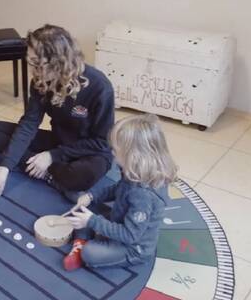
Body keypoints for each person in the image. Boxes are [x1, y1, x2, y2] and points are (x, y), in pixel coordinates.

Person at [0, 24, 117, 203]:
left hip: (89, 151)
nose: (33, 72)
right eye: (31, 63)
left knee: (84, 174)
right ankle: (52, 177)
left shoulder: (100, 87)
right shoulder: (41, 81)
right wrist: (4, 169)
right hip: (58, 142)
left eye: (38, 64)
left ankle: (48, 171)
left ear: (60, 61)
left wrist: (52, 156)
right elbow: (29, 124)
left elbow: (102, 143)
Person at [62, 114, 176, 270]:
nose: (112, 152)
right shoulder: (134, 170)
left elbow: (130, 236)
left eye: (116, 150)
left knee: (90, 252)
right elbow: (119, 189)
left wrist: (93, 222)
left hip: (133, 247)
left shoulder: (143, 195)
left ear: (134, 156)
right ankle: (82, 240)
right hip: (121, 220)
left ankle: (85, 245)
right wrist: (91, 196)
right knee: (84, 209)